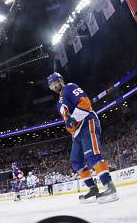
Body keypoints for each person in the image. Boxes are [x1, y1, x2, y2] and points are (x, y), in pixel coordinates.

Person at [47, 72, 118, 203]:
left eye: (54, 83)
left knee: (92, 155)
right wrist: (70, 127)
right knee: (76, 161)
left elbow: (85, 103)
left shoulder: (70, 87)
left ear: (60, 81)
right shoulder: (58, 104)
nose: (53, 86)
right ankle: (93, 189)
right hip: (77, 133)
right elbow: (67, 122)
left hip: (87, 122)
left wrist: (73, 120)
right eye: (50, 85)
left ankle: (110, 187)